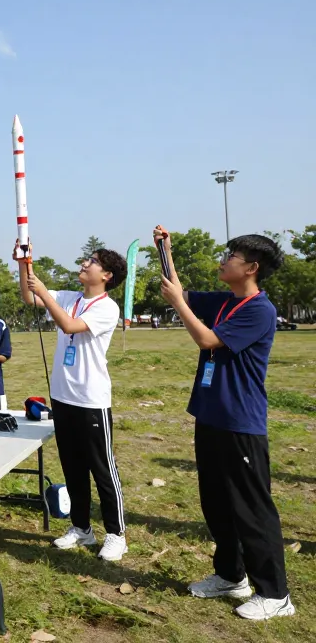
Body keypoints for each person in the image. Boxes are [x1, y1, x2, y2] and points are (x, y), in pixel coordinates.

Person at [157, 227, 295, 620]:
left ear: (251, 267)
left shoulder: (259, 309)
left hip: (241, 423)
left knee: (252, 509)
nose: (224, 259)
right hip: (211, 415)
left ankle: (275, 594)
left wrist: (180, 307)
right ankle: (231, 575)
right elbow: (180, 292)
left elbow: (206, 340)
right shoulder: (225, 300)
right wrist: (164, 248)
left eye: (232, 255)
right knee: (216, 502)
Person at [17, 240, 128, 562]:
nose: (84, 263)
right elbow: (29, 295)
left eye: (92, 261)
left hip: (91, 399)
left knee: (102, 469)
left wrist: (46, 293)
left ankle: (116, 534)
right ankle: (81, 528)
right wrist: (25, 263)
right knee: (73, 467)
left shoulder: (107, 307)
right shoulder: (70, 297)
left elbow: (69, 325)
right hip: (63, 397)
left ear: (106, 275)